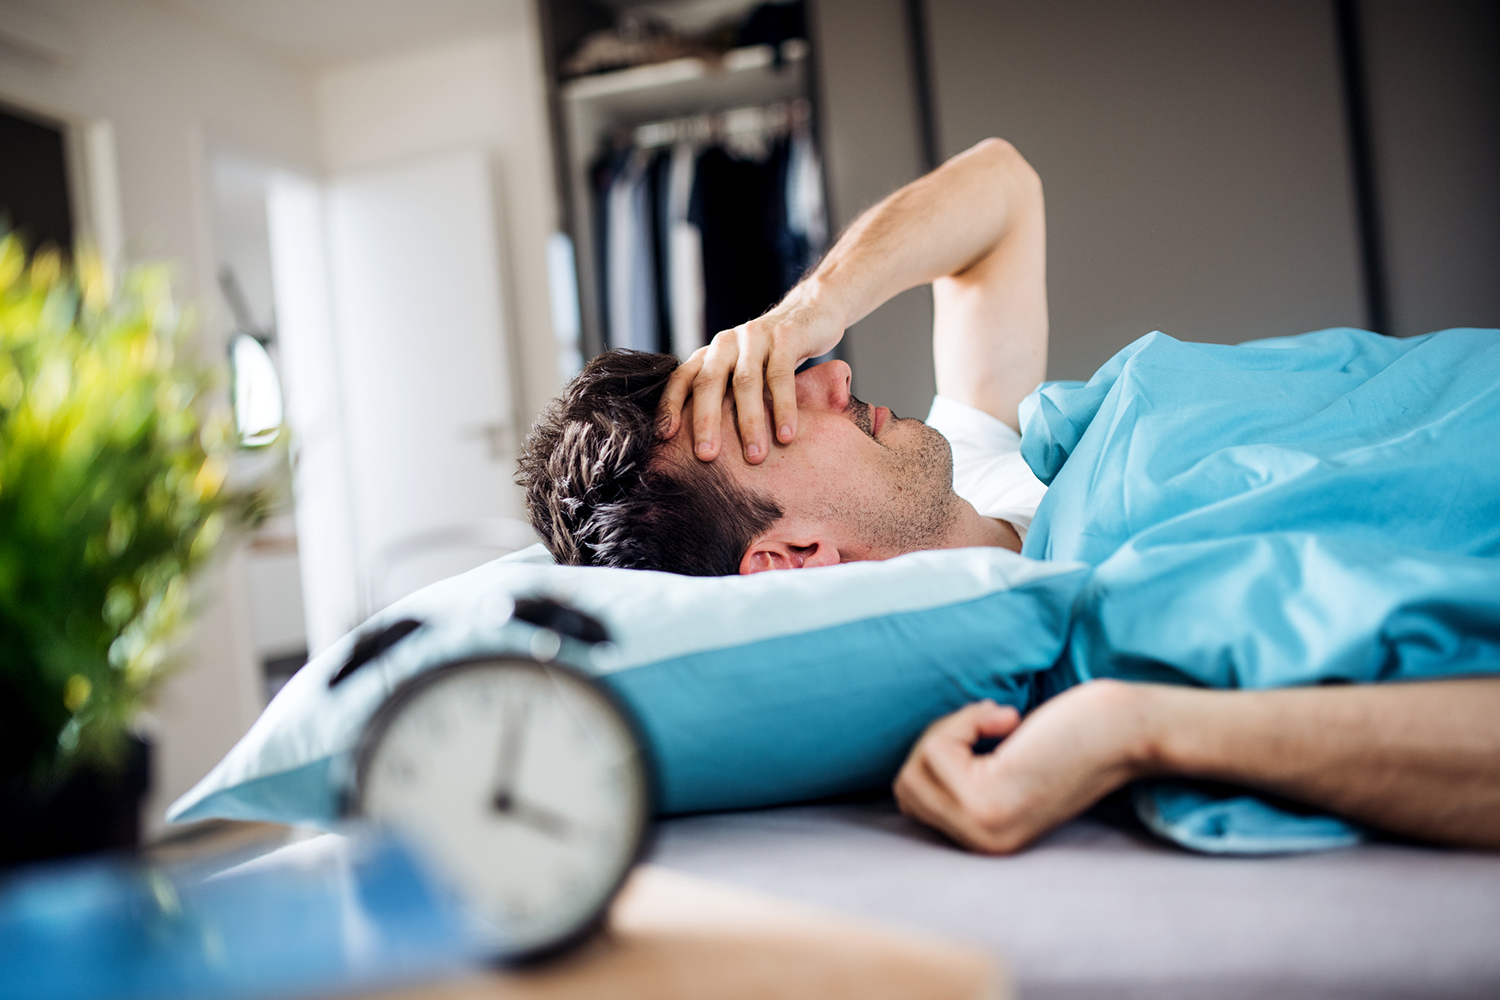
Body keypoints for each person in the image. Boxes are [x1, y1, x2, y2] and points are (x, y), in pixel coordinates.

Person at [518, 138, 1500, 854]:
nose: (833, 373)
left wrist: (808, 307)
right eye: (776, 410)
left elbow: (1000, 190)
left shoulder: (984, 459)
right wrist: (1133, 727)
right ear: (790, 558)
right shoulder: (1104, 633)